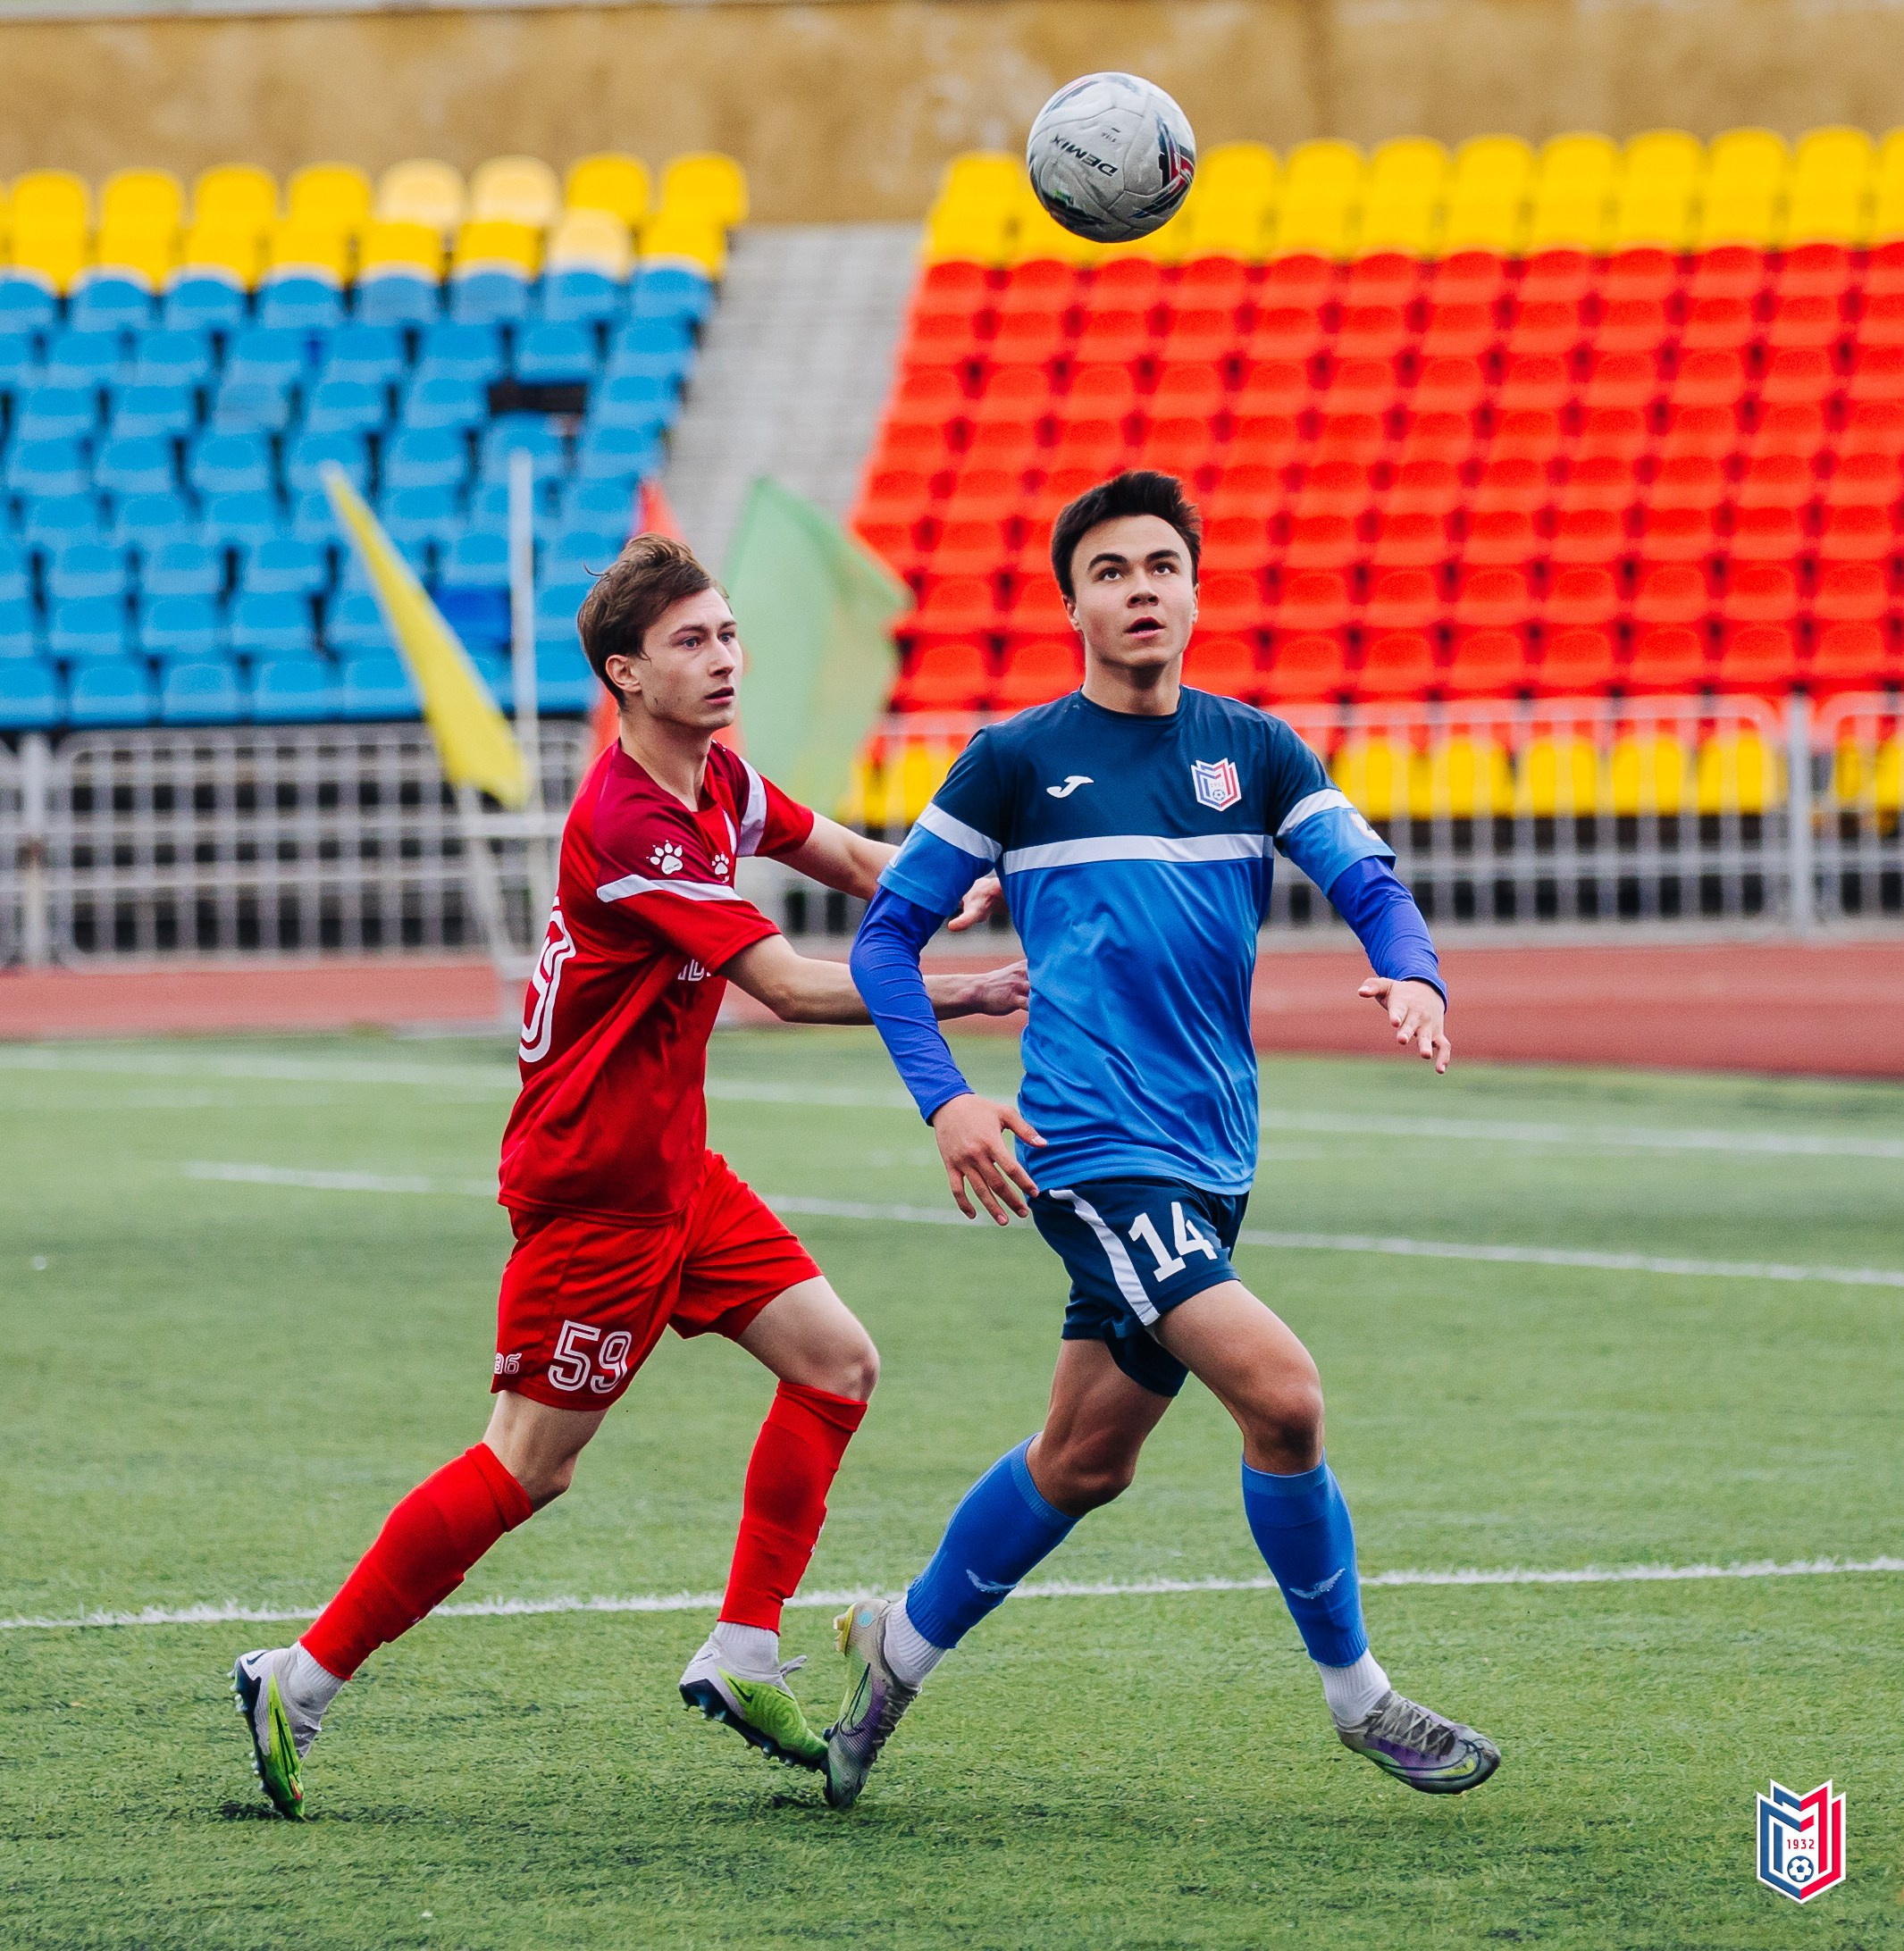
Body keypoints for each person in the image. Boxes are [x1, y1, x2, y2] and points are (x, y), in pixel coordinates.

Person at [233, 534, 1024, 1818]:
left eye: (724, 634)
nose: (723, 660)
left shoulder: (716, 779)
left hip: (673, 1168)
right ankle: (299, 1681)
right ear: (626, 676)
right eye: (690, 644)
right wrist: (963, 988)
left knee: (839, 1364)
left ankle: (743, 1646)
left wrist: (959, 881)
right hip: (597, 1191)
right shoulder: (631, 818)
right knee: (527, 1466)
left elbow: (844, 850)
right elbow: (782, 984)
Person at [827, 471, 1499, 1809]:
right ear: (1071, 601)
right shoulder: (1016, 761)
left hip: (1215, 1156)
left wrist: (1412, 968)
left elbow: (1367, 878)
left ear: (1195, 591)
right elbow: (886, 936)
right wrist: (950, 1098)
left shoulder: (1254, 750)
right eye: (1112, 571)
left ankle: (889, 1651)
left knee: (1085, 1457)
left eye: (1161, 568)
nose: (1141, 590)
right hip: (1089, 1149)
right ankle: (1359, 1698)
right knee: (1286, 1396)